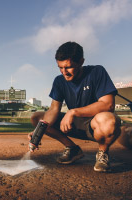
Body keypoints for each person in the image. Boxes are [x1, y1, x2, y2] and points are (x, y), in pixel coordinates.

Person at [29, 41, 121, 172]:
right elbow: (54, 109)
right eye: (60, 67)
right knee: (38, 118)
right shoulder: (59, 81)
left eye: (68, 67)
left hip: (95, 125)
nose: (64, 72)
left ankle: (103, 153)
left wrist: (73, 112)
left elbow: (108, 104)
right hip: (73, 125)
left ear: (81, 62)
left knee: (109, 120)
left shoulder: (97, 71)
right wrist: (40, 130)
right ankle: (73, 149)